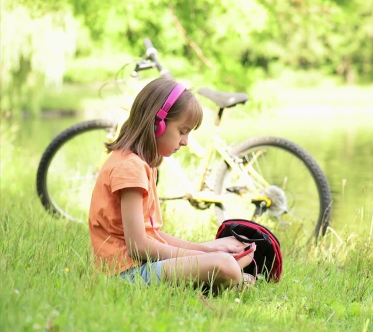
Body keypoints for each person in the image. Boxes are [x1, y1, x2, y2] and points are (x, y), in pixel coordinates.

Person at [88, 78, 255, 290]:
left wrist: (204, 249)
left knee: (235, 248)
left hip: (143, 263)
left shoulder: (140, 163)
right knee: (225, 265)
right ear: (157, 125)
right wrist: (206, 254)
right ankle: (233, 279)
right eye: (182, 131)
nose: (185, 141)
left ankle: (222, 271)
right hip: (127, 273)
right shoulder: (129, 168)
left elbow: (151, 235)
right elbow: (138, 247)